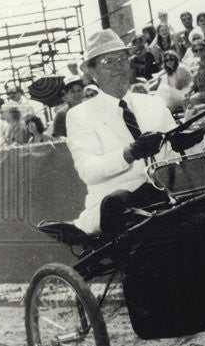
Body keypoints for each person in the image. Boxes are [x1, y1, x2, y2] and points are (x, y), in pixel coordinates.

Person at [66, 29, 176, 235]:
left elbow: (176, 155)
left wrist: (194, 141)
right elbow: (88, 171)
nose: (119, 66)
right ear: (92, 72)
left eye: (122, 59)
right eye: (108, 61)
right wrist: (129, 153)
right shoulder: (79, 115)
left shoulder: (154, 103)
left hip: (166, 200)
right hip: (119, 207)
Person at [52, 70, 85, 138]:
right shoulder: (62, 114)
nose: (77, 94)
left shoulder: (89, 108)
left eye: (79, 90)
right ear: (67, 94)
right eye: (72, 92)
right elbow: (57, 137)